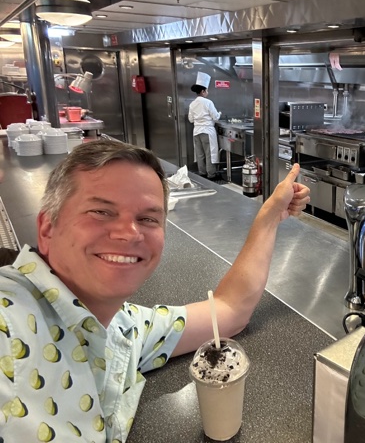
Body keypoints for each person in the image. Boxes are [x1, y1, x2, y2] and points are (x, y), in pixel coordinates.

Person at [0, 139, 310, 441]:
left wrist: (270, 217)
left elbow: (229, 310)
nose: (128, 233)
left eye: (147, 218)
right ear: (47, 229)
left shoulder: (123, 328)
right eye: (101, 211)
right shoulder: (9, 325)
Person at [188, 82, 222, 181]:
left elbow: (191, 119)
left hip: (196, 131)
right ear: (203, 91)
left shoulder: (192, 104)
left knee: (200, 154)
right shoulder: (208, 102)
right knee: (209, 153)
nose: (207, 92)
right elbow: (215, 117)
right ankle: (211, 175)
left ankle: (202, 173)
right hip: (207, 131)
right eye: (206, 90)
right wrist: (219, 113)